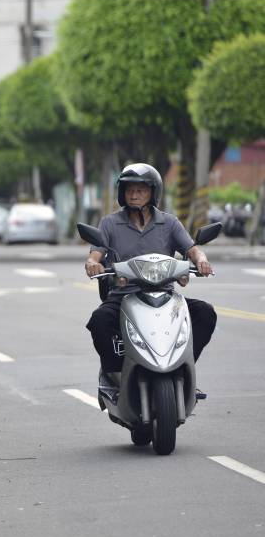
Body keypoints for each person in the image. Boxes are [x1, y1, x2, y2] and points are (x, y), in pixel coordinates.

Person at [84, 163, 217, 393]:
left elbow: (192, 249)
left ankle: (183, 368)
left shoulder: (170, 222)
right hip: (124, 295)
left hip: (165, 295)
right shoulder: (109, 223)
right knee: (99, 321)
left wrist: (201, 260)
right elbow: (95, 255)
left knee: (205, 313)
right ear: (122, 193)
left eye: (141, 190)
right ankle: (114, 376)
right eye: (129, 190)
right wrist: (93, 264)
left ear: (153, 193)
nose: (134, 195)